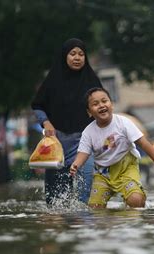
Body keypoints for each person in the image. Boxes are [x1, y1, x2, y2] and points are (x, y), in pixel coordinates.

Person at [69, 88, 154, 208]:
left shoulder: (123, 123)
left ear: (111, 105)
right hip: (103, 174)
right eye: (95, 104)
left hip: (126, 169)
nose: (101, 105)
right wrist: (76, 165)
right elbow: (83, 153)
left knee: (136, 201)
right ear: (89, 112)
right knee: (95, 207)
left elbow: (144, 144)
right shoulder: (88, 132)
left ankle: (135, 205)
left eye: (104, 101)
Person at [31, 38, 103, 205]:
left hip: (85, 144)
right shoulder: (53, 80)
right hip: (57, 145)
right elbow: (37, 105)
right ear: (64, 56)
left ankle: (82, 228)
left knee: (85, 194)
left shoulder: (92, 81)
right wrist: (46, 123)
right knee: (55, 200)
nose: (77, 58)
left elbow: (102, 106)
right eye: (73, 54)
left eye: (81, 54)